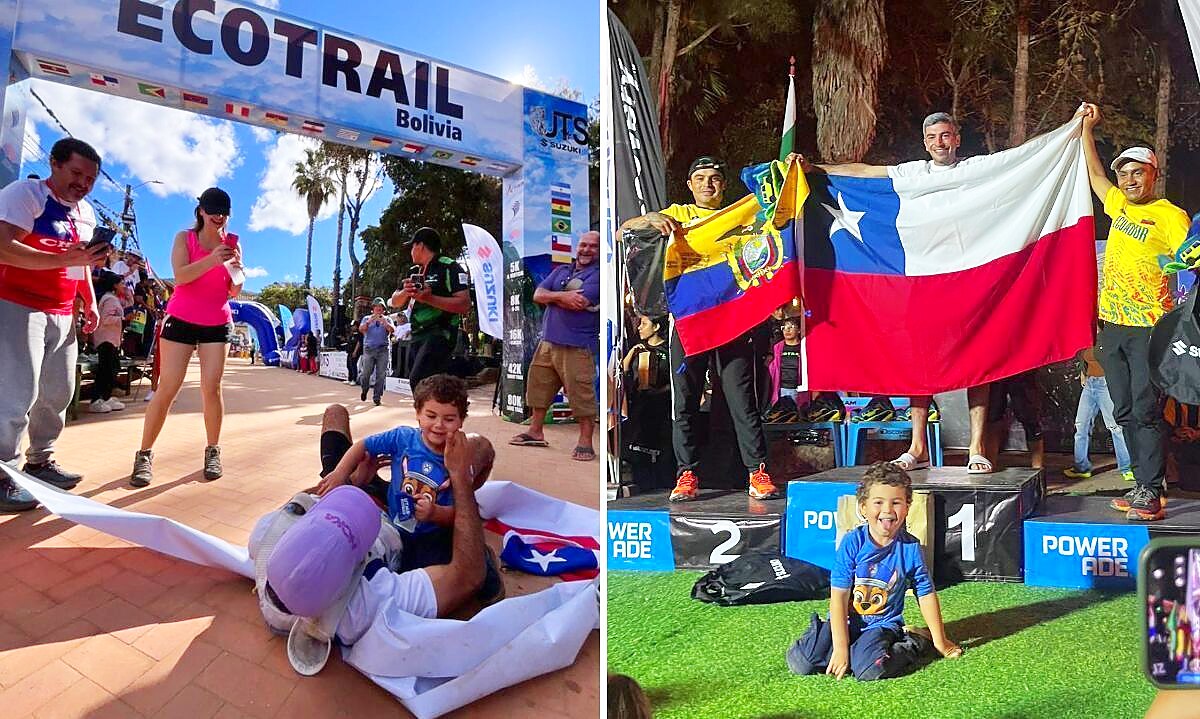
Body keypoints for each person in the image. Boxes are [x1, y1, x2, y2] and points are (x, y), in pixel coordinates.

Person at [794, 113, 993, 473]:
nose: (940, 143)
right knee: (920, 362)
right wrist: (814, 168)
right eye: (932, 137)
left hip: (967, 277)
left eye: (946, 136)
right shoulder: (913, 172)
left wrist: (1070, 132)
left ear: (958, 138)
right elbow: (864, 172)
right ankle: (917, 447)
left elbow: (1025, 159)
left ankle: (976, 448)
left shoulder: (976, 168)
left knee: (977, 361)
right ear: (925, 141)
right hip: (921, 281)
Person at [248, 431, 491, 676]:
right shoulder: (365, 602)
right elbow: (468, 576)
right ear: (351, 574)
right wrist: (459, 477)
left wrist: (353, 480)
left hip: (359, 485)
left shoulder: (266, 534)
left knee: (335, 414)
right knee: (480, 448)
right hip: (408, 520)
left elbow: (303, 501)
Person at [619, 156, 781, 501]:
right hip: (689, 325)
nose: (708, 184)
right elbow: (623, 232)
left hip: (732, 322)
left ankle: (757, 472)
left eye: (715, 179)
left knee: (742, 401)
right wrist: (650, 217)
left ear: (724, 186)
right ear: (690, 185)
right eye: (701, 178)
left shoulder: (739, 216)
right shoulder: (679, 214)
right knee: (685, 402)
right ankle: (687, 474)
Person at [1078, 103, 1190, 522]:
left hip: (1149, 328)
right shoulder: (1118, 207)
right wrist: (1086, 128)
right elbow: (1094, 175)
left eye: (1136, 172)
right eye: (1123, 173)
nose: (1128, 179)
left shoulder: (1169, 216)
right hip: (1113, 327)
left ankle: (1152, 490)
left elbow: (1189, 259)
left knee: (1144, 410)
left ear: (1152, 175)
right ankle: (1142, 483)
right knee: (1122, 409)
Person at [313, 374, 503, 602]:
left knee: (472, 583)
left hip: (430, 532)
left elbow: (459, 512)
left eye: (449, 419)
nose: (439, 425)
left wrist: (436, 514)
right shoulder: (403, 437)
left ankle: (481, 555)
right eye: (431, 416)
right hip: (394, 519)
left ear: (461, 421)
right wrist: (340, 474)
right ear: (418, 415)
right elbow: (364, 444)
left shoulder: (457, 455)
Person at [0, 137, 108, 511]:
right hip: (18, 305)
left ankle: (40, 461)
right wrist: (63, 257)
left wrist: (88, 300)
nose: (83, 184)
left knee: (57, 392)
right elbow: (3, 246)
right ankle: (2, 474)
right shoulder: (25, 193)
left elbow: (81, 262)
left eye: (91, 179)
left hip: (63, 313)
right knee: (16, 395)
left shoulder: (86, 213)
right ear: (55, 164)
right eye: (77, 173)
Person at [786, 462, 961, 680]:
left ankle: (914, 640)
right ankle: (847, 648)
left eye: (896, 502)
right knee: (800, 662)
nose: (887, 510)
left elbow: (925, 593)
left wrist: (940, 640)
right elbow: (839, 597)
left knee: (870, 670)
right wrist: (840, 649)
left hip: (880, 625)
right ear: (863, 508)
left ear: (907, 507)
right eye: (878, 502)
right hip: (845, 622)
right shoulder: (852, 542)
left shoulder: (911, 548)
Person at [130, 187, 243, 488]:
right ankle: (144, 453)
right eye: (213, 211)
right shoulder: (185, 238)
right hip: (181, 318)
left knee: (212, 387)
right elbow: (179, 277)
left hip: (216, 322)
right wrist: (212, 260)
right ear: (201, 211)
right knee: (168, 386)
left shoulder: (233, 244)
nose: (219, 217)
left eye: (224, 212)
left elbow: (233, 292)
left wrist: (237, 272)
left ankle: (213, 450)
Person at [510, 230, 601, 461]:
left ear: (599, 251)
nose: (586, 250)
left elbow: (579, 302)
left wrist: (553, 296)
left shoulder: (600, 275)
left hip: (578, 344)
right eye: (583, 245)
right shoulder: (562, 270)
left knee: (580, 394)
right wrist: (562, 297)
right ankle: (535, 431)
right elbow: (538, 295)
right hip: (548, 341)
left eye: (593, 246)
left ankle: (585, 442)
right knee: (538, 387)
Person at [389, 227, 470, 386]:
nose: (411, 251)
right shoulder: (414, 272)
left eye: (412, 246)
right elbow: (394, 301)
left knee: (419, 382)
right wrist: (407, 291)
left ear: (420, 246)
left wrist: (429, 298)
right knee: (427, 387)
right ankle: (435, 411)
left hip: (440, 333)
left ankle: (433, 411)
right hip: (417, 335)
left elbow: (465, 304)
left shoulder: (449, 267)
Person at [1065, 346, 1132, 481]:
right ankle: (1081, 467)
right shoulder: (1085, 341)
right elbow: (1083, 359)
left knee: (1115, 427)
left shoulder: (1108, 338)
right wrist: (1084, 373)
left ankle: (1127, 467)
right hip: (1090, 384)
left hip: (1106, 384)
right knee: (1081, 426)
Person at [985, 371, 1045, 470]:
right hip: (995, 367)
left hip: (1022, 366)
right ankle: (989, 465)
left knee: (1030, 417)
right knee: (993, 417)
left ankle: (1038, 469)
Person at [89, 270, 128, 414]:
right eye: (121, 283)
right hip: (106, 339)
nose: (124, 286)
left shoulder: (115, 298)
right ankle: (96, 399)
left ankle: (105, 397)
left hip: (112, 339)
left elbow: (129, 302)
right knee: (105, 370)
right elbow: (105, 319)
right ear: (114, 285)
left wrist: (127, 294)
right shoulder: (110, 300)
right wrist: (123, 319)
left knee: (112, 370)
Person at [358, 298, 394, 406]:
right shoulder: (366, 318)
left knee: (381, 375)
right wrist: (369, 322)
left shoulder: (387, 319)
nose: (378, 309)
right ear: (373, 308)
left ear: (383, 309)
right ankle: (364, 389)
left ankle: (377, 397)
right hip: (369, 349)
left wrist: (385, 323)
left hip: (383, 349)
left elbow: (393, 330)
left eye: (381, 307)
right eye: (376, 307)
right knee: (366, 374)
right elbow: (361, 329)